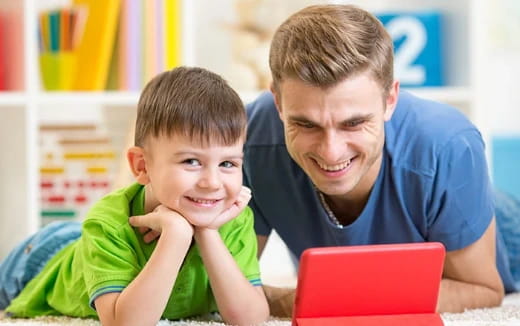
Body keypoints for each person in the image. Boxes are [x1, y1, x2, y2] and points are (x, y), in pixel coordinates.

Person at [243, 4, 519, 315]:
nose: (331, 152)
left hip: (503, 229)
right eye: (306, 124)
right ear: (278, 102)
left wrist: (324, 299)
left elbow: (482, 288)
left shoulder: (449, 145)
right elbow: (227, 285)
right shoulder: (252, 138)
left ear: (390, 100)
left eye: (354, 123)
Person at [0, 67, 269, 326]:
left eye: (228, 164)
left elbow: (252, 318)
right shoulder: (110, 222)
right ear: (142, 166)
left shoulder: (233, 219)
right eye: (191, 161)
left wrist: (207, 233)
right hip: (42, 258)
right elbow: (124, 323)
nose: (212, 183)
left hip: (89, 243)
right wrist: (176, 235)